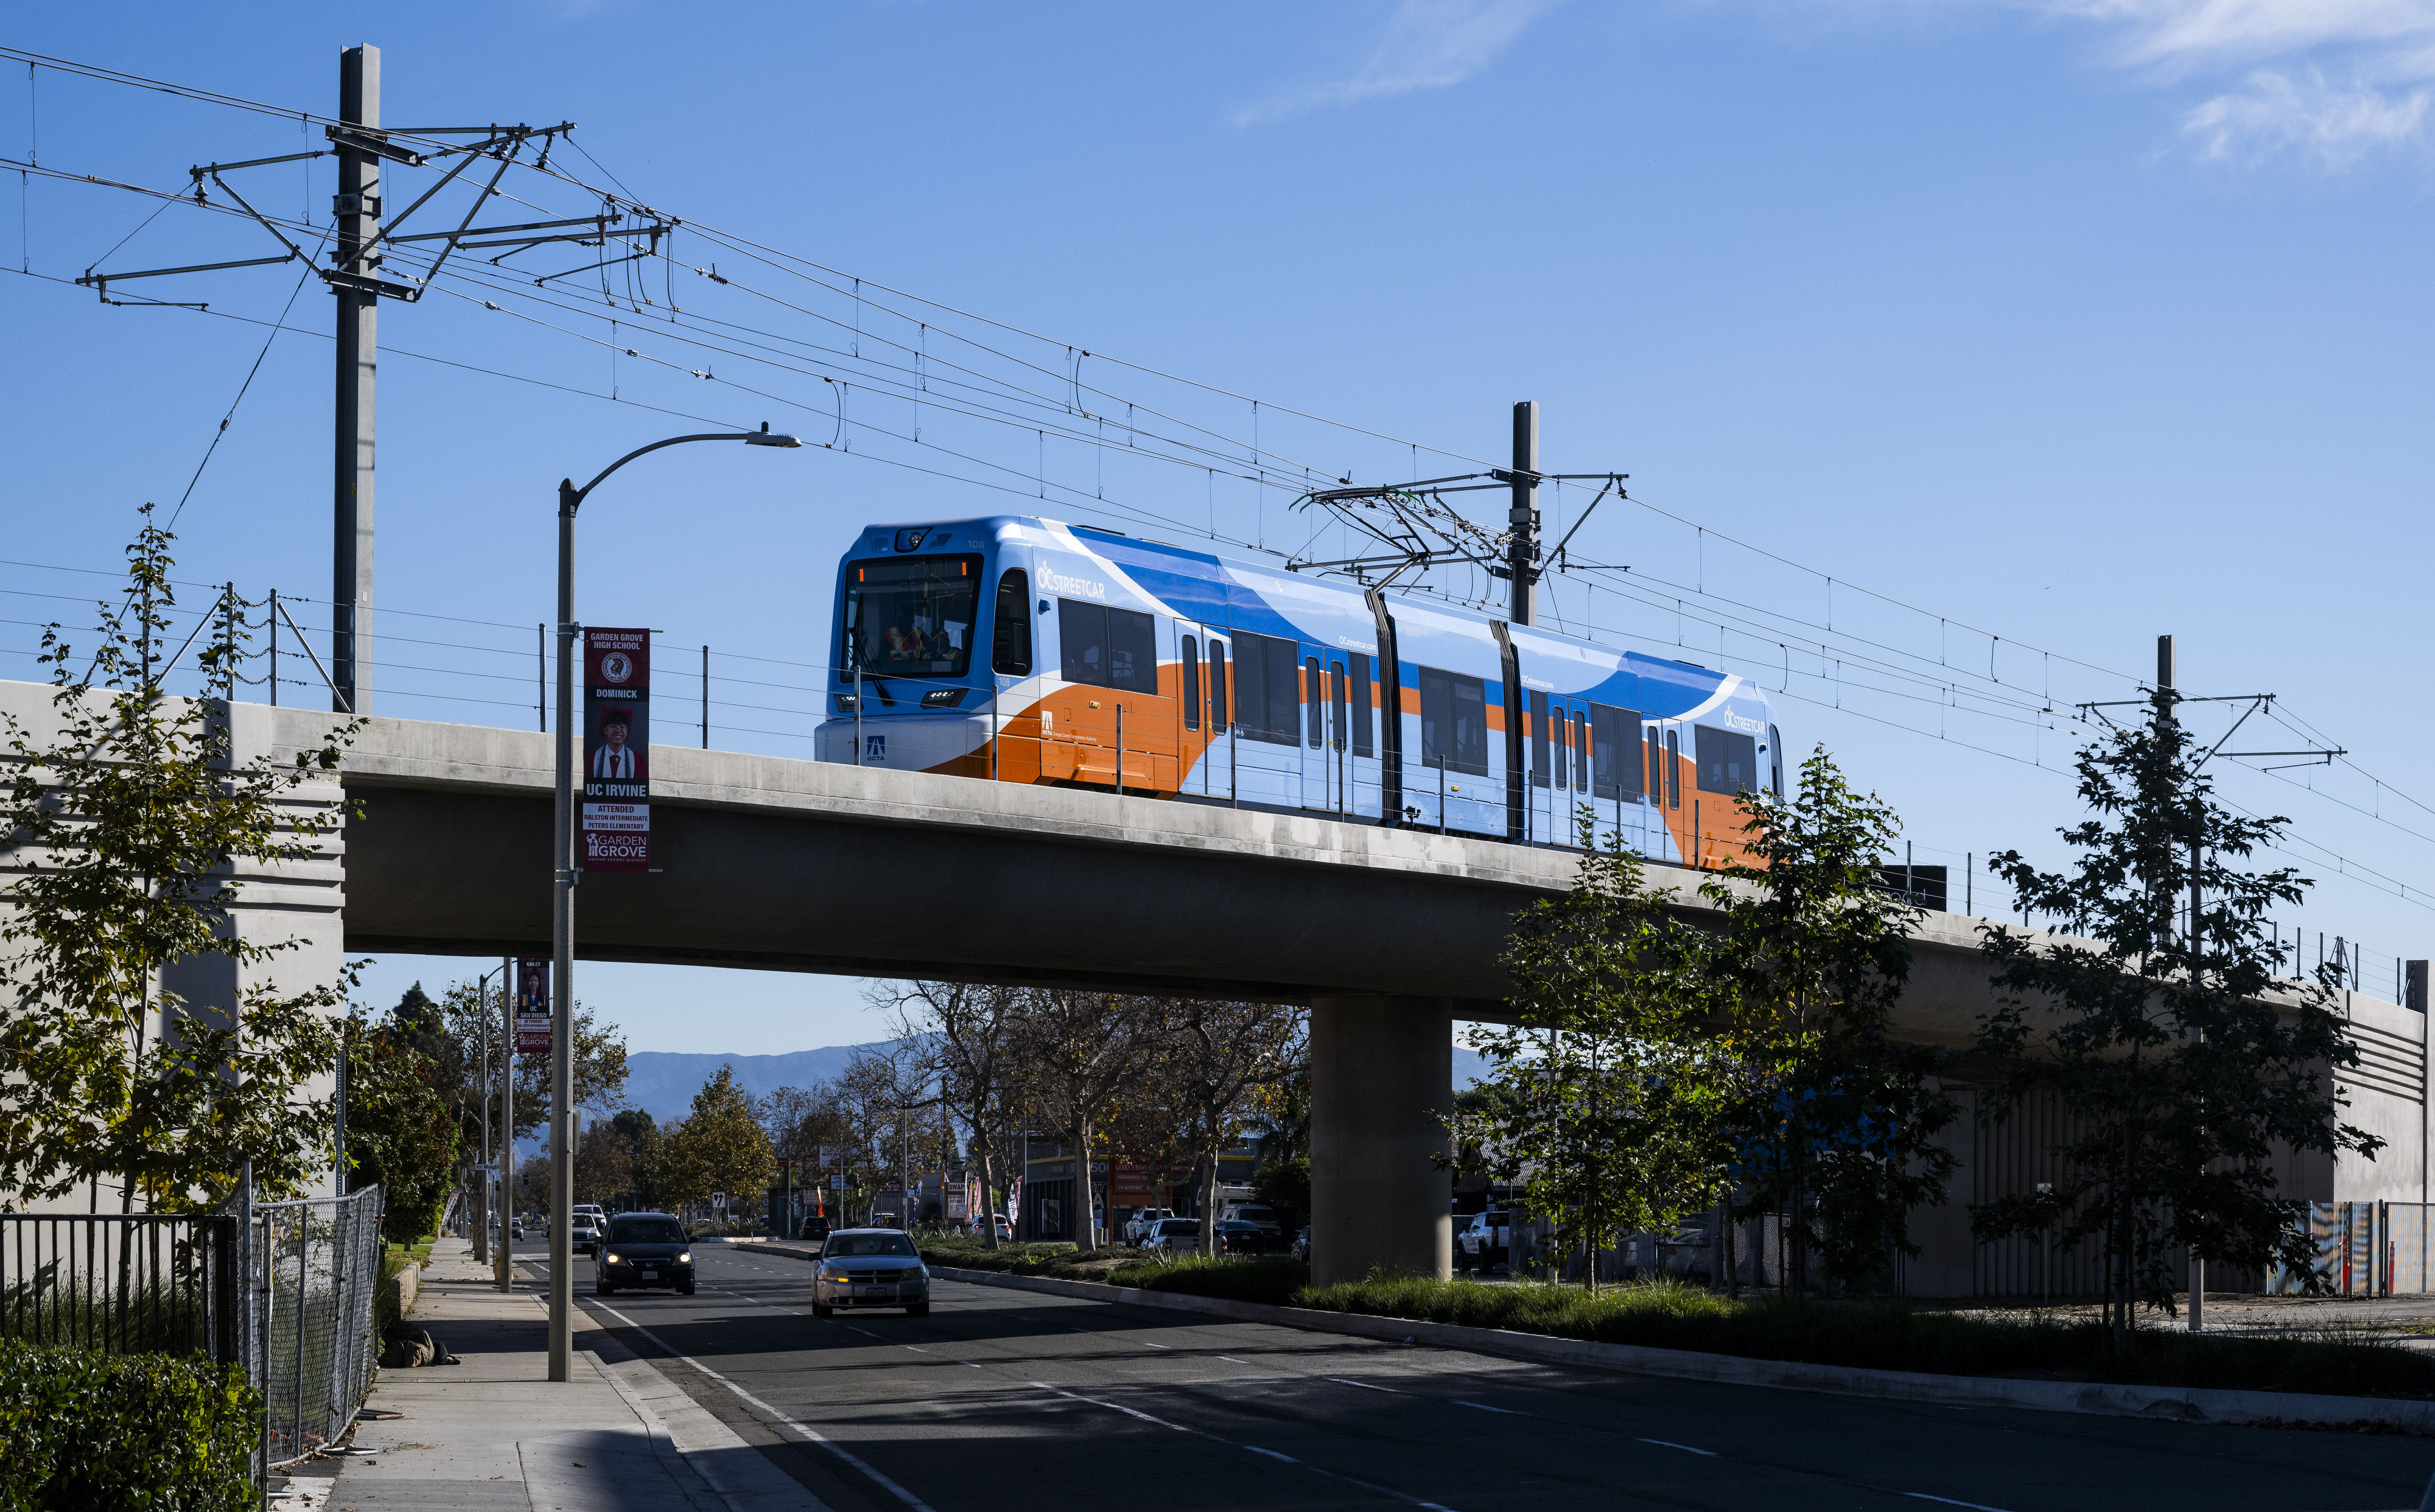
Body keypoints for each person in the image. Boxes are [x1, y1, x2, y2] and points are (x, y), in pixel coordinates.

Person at [592, 705, 640, 780]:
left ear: (627, 732)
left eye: (622, 727)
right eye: (613, 726)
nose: (618, 731)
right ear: (605, 730)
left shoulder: (639, 761)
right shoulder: (592, 759)